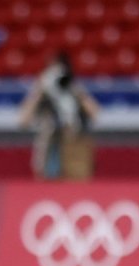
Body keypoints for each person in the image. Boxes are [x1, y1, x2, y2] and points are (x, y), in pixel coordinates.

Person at [18, 51, 100, 180]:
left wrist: (74, 89)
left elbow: (95, 114)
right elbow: (22, 121)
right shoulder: (42, 96)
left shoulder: (74, 90)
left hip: (74, 154)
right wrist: (39, 90)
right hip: (48, 154)